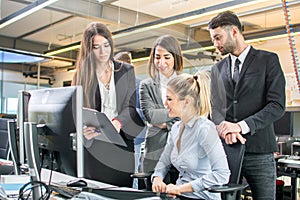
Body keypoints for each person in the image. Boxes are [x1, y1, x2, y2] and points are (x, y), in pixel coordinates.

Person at [208, 11, 286, 199]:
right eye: (213, 40)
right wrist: (223, 129)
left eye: (218, 38)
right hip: (228, 151)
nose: (215, 44)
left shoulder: (268, 60)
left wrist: (240, 126)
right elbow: (215, 109)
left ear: (234, 31)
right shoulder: (217, 69)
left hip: (260, 151)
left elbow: (276, 105)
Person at [72, 22, 144, 187]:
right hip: (95, 143)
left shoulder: (126, 70)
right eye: (96, 47)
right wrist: (83, 129)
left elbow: (131, 107)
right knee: (97, 189)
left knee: (122, 189)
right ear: (89, 50)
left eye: (106, 45)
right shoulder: (82, 75)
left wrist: (117, 122)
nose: (103, 52)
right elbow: (78, 111)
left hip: (123, 140)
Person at [151, 72, 230, 200]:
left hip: (202, 197)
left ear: (186, 102)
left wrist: (180, 189)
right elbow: (164, 162)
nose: (165, 103)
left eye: (169, 99)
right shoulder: (176, 128)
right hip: (180, 196)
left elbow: (222, 174)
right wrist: (157, 178)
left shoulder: (205, 129)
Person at [139, 35, 183, 184]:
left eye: (167, 57)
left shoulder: (186, 83)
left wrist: (165, 122)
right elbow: (151, 116)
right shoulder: (146, 85)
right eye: (157, 57)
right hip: (155, 153)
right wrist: (177, 114)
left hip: (182, 151)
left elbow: (191, 116)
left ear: (175, 57)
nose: (161, 62)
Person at [114, 51, 147, 188]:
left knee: (132, 173)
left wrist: (125, 116)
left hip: (135, 137)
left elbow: (143, 112)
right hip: (119, 133)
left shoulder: (138, 84)